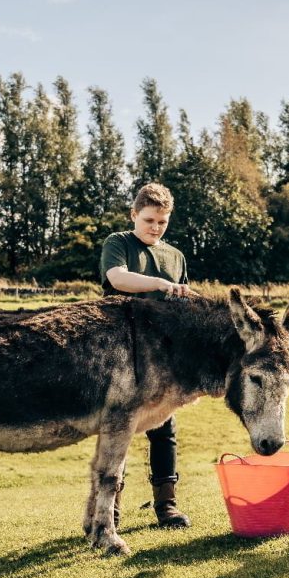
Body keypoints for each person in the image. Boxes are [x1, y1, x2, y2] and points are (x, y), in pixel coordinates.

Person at [99, 182, 197, 529]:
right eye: (149, 220)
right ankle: (109, 508)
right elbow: (117, 278)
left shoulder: (176, 256)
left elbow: (182, 300)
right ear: (134, 215)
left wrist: (188, 296)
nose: (155, 227)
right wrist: (159, 284)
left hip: (163, 357)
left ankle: (166, 505)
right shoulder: (118, 243)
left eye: (162, 222)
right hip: (121, 351)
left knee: (164, 429)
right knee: (118, 428)